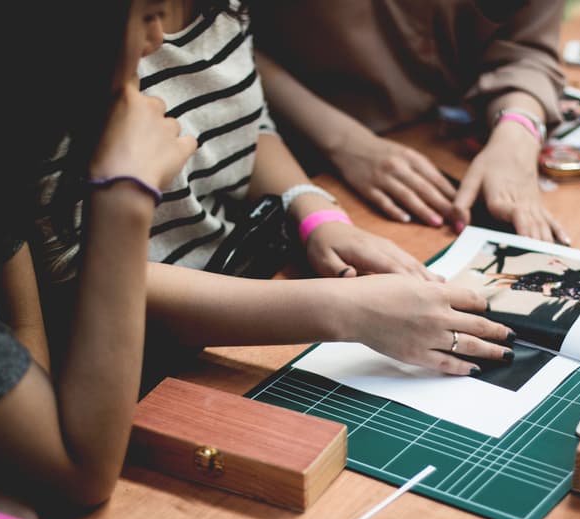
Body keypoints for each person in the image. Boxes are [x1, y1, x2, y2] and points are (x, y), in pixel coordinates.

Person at [33, 0, 515, 388]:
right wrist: (344, 310)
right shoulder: (59, 43)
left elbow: (238, 124)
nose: (157, 37)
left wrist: (312, 209)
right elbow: (79, 276)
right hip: (135, 370)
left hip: (254, 298)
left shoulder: (222, 7)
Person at [0, 0, 196, 519]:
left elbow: (18, 324)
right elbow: (85, 471)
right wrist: (124, 198)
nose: (157, 40)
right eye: (146, 15)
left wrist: (14, 471)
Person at [251, 0, 571, 244]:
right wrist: (343, 142)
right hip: (286, 156)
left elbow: (527, 45)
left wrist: (518, 127)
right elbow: (232, 48)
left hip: (442, 143)